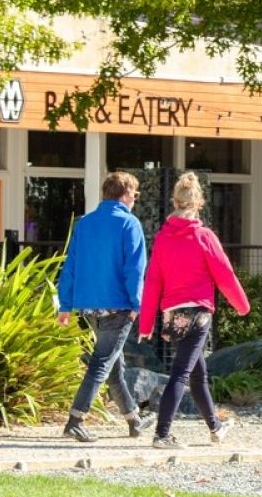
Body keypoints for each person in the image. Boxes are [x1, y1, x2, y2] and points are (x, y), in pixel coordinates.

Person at [138, 172, 250, 449]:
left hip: (173, 314)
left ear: (174, 202)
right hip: (198, 312)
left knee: (197, 372)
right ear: (199, 203)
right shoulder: (204, 236)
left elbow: (152, 280)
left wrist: (145, 323)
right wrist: (242, 305)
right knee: (181, 374)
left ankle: (215, 426)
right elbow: (224, 274)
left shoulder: (163, 238)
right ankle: (162, 435)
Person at [57, 171, 154, 442]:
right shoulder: (129, 224)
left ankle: (134, 420)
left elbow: (71, 266)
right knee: (102, 363)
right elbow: (134, 270)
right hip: (118, 306)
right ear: (125, 195)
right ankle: (75, 419)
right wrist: (138, 305)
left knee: (113, 364)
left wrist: (65, 304)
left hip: (89, 307)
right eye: (134, 195)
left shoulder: (85, 224)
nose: (134, 200)